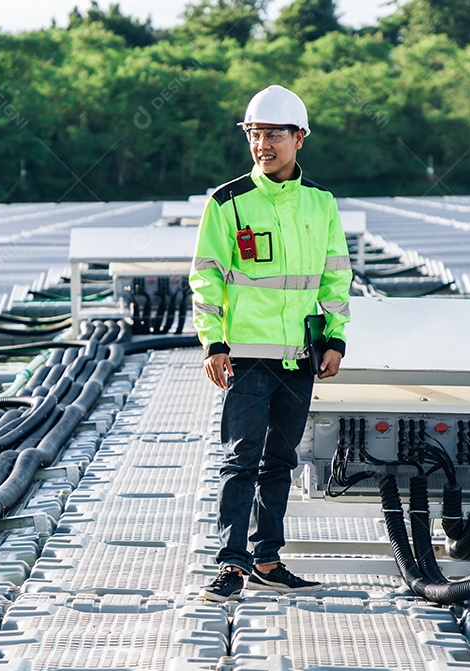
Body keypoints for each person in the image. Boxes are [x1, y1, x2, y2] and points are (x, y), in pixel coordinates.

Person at [189, 85, 352, 601]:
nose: (264, 144)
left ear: (299, 139)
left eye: (274, 134)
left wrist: (335, 338)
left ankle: (266, 558)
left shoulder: (321, 204)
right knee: (240, 460)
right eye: (256, 134)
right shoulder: (227, 201)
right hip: (246, 356)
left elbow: (335, 278)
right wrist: (213, 343)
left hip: (300, 355)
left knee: (280, 461)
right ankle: (230, 564)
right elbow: (206, 277)